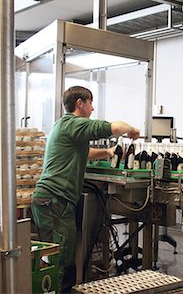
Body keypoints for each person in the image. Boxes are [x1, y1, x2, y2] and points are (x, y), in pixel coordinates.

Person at [31, 86, 140, 293]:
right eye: (90, 102)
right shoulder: (75, 123)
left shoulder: (64, 126)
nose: (92, 108)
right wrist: (131, 129)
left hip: (52, 200)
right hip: (55, 200)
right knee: (62, 261)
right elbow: (112, 128)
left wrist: (108, 152)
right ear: (79, 103)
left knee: (59, 257)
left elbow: (85, 152)